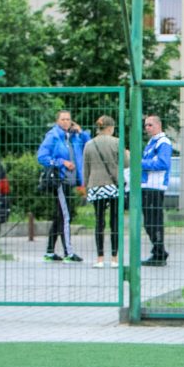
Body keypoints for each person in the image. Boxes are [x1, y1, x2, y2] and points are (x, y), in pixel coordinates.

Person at [37, 109, 91, 263]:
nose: (66, 122)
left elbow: (89, 144)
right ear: (57, 121)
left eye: (68, 119)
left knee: (60, 216)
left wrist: (81, 131)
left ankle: (49, 252)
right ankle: (68, 252)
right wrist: (62, 162)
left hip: (71, 181)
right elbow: (42, 157)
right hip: (60, 181)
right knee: (66, 216)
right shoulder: (53, 136)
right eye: (63, 119)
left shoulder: (73, 137)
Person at [83, 115, 128, 269]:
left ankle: (100, 258)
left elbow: (86, 168)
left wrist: (86, 185)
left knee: (99, 222)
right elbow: (126, 163)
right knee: (115, 221)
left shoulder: (89, 144)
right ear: (110, 128)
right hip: (113, 186)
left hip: (95, 186)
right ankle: (115, 258)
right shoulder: (116, 142)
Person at [140, 114, 172, 266]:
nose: (147, 128)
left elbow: (163, 163)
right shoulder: (151, 142)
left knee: (154, 221)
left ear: (159, 125)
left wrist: (140, 163)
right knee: (148, 222)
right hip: (147, 185)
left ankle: (159, 253)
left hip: (155, 186)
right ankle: (158, 250)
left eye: (150, 125)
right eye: (146, 125)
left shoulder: (163, 142)